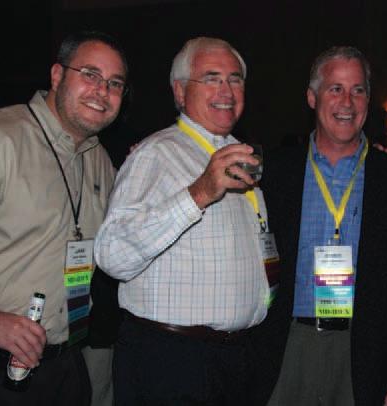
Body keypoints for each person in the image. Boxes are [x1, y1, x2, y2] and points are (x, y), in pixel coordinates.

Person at [0, 30, 127, 406]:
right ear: (57, 75)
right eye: (90, 74)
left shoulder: (100, 161)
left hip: (63, 365)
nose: (102, 91)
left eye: (115, 83)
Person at [94, 37, 275, 406]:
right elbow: (112, 256)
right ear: (179, 92)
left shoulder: (242, 156)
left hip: (236, 359)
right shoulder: (156, 154)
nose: (226, 90)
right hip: (173, 361)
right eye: (211, 78)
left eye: (235, 79)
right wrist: (199, 193)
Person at [257, 46, 387, 406]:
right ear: (312, 97)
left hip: (363, 351)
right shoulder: (272, 173)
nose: (347, 102)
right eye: (335, 88)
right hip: (284, 346)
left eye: (358, 90)